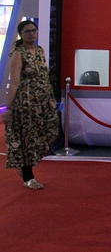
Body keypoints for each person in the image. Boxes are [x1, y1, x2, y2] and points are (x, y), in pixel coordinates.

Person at [3, 20, 60, 189]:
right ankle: (28, 176)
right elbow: (14, 82)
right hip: (26, 102)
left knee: (50, 129)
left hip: (43, 101)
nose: (31, 34)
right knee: (27, 137)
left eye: (34, 30)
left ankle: (25, 166)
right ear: (21, 34)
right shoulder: (18, 54)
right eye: (27, 31)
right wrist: (8, 107)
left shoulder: (40, 50)